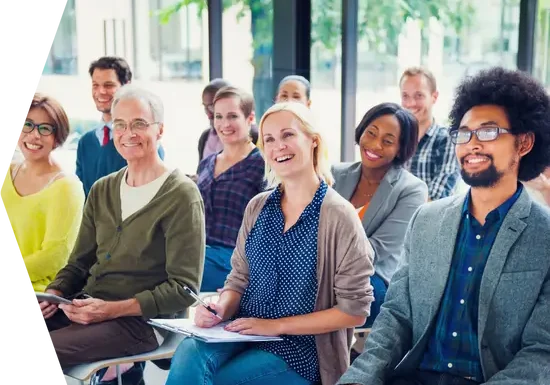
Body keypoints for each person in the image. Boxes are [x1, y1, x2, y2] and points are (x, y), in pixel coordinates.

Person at [337, 67, 550, 385]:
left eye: (488, 132)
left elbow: (540, 352)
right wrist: (358, 378)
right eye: (464, 133)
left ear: (524, 143)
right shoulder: (426, 220)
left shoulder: (543, 235)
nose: (472, 144)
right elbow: (396, 317)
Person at [165, 101, 375, 385]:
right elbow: (238, 279)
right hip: (242, 331)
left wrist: (275, 326)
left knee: (221, 380)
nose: (279, 146)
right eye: (270, 139)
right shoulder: (258, 206)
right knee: (189, 351)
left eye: (288, 135)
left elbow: (355, 312)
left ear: (313, 141)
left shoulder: (339, 215)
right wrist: (221, 308)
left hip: (300, 350)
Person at [37, 84, 205, 385]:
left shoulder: (182, 195)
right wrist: (56, 293)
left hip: (140, 323)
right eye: (120, 125)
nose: (129, 133)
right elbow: (79, 263)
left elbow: (184, 288)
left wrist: (109, 310)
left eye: (139, 123)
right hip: (84, 306)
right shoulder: (102, 189)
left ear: (160, 130)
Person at [332, 102, 428, 358]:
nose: (375, 145)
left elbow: (377, 250)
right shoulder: (334, 174)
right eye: (371, 133)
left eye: (388, 141)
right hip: (324, 273)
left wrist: (321, 262)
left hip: (372, 280)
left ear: (400, 149)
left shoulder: (411, 189)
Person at [0, 93, 84, 293]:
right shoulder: (6, 172)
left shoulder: (66, 187)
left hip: (39, 292)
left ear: (57, 137)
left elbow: (53, 257)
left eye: (45, 128)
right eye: (27, 124)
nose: (34, 135)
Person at [197, 86, 266, 292]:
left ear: (250, 118)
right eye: (218, 116)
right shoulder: (207, 163)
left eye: (232, 116)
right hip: (200, 252)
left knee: (171, 274)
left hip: (236, 260)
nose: (224, 124)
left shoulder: (263, 165)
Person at [76, 56, 165, 197]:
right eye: (95, 85)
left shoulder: (141, 141)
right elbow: (82, 195)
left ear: (127, 86)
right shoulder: (85, 142)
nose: (101, 92)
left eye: (108, 85)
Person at [399, 66, 460, 200]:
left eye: (419, 95)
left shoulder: (447, 140)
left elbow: (438, 199)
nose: (410, 103)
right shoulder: (396, 138)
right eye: (405, 96)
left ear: (434, 97)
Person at [198, 78, 259, 163]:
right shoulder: (205, 137)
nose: (209, 115)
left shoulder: (256, 137)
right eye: (205, 107)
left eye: (232, 116)